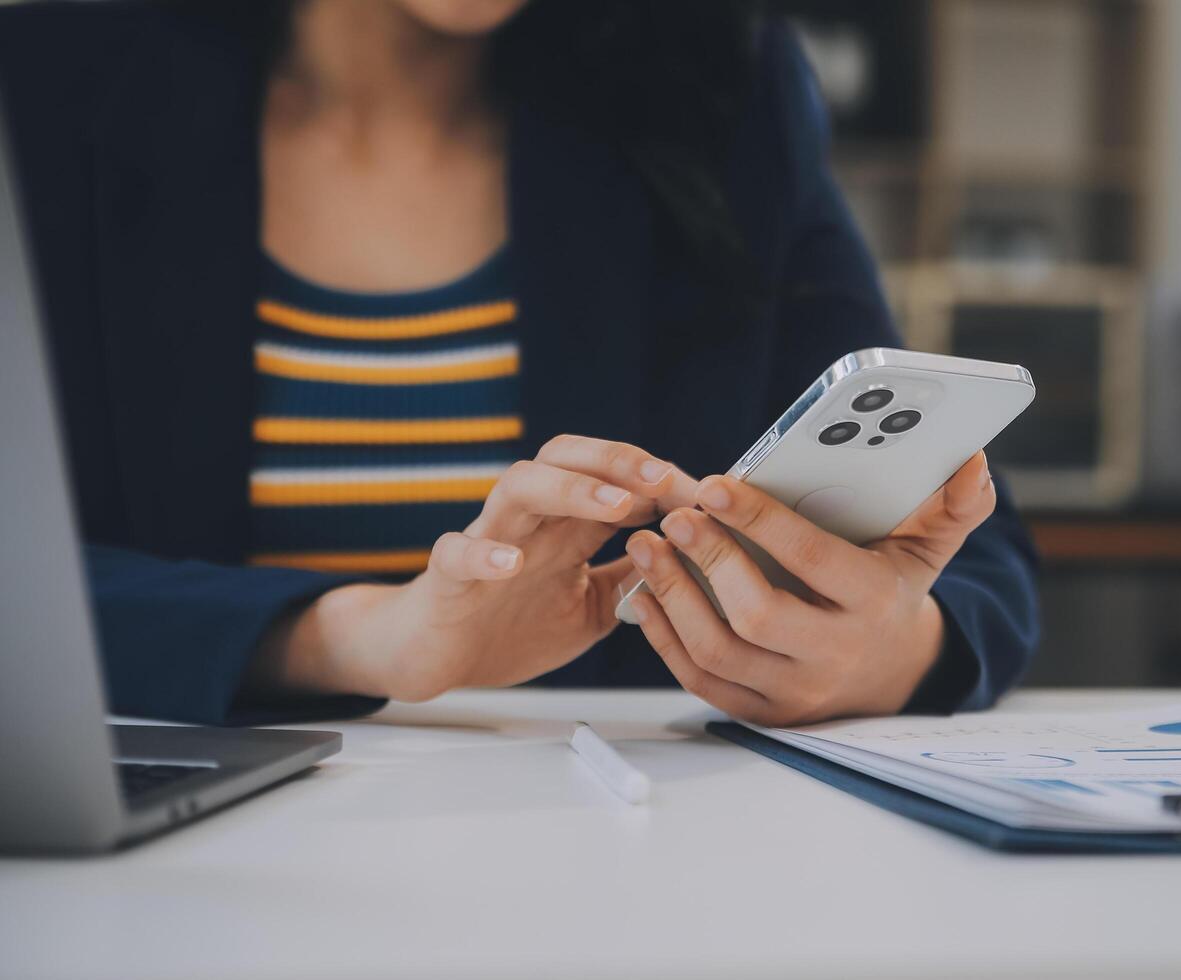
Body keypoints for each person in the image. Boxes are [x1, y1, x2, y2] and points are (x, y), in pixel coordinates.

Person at [0, 0, 1039, 728]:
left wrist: (885, 651)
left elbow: (972, 554)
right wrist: (361, 636)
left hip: (620, 865)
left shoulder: (725, 95)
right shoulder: (46, 92)